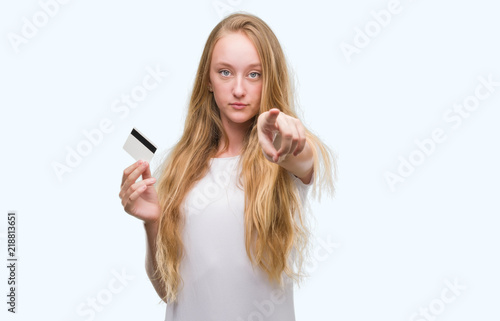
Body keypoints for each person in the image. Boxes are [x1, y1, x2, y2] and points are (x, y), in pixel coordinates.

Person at [119, 12, 337, 320]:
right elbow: (168, 291)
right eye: (224, 72)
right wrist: (152, 222)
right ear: (207, 80)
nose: (238, 89)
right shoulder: (182, 168)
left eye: (253, 74)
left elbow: (299, 155)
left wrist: (282, 134)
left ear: (269, 80)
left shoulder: (281, 154)